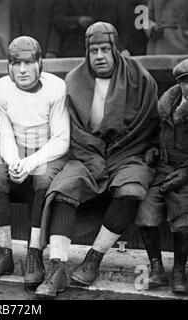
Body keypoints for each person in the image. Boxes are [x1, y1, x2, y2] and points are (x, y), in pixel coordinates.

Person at [35, 22, 159, 298]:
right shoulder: (74, 81)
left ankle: (94, 257)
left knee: (132, 187)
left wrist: (137, 154)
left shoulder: (141, 79)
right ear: (86, 53)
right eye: (93, 50)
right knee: (62, 189)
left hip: (128, 152)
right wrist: (94, 158)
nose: (99, 56)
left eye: (105, 49)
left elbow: (148, 126)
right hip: (87, 154)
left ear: (115, 50)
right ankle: (57, 269)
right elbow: (74, 131)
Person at [0, 36, 70, 288]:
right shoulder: (0, 88)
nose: (22, 69)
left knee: (42, 177)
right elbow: (6, 133)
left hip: (49, 150)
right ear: (8, 65)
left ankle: (34, 254)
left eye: (29, 62)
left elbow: (62, 139)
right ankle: (4, 253)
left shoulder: (56, 87)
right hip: (18, 148)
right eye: (16, 63)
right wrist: (13, 161)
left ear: (40, 63)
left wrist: (29, 163)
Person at [136, 59, 188, 295]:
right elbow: (155, 134)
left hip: (186, 173)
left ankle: (179, 270)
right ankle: (156, 266)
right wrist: (153, 149)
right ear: (179, 84)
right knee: (146, 214)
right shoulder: (167, 104)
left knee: (184, 223)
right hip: (163, 169)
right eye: (185, 82)